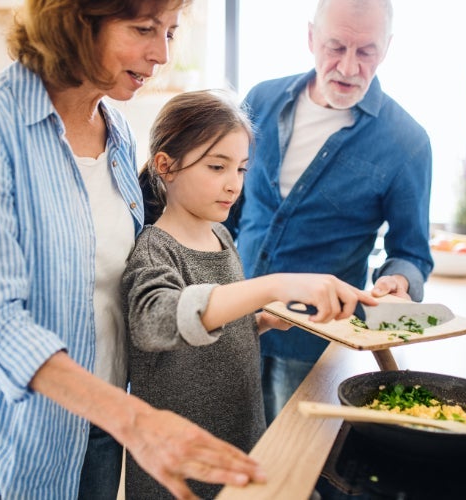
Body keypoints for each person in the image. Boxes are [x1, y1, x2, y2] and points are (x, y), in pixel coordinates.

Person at [0, 2, 266, 499]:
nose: (162, 53)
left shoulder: (118, 131)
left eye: (169, 32)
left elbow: (126, 288)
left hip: (102, 436)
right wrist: (135, 418)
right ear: (76, 21)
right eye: (144, 29)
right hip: (15, 443)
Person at [121, 89, 374, 499]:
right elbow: (156, 322)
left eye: (240, 169)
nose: (233, 184)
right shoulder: (155, 248)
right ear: (166, 166)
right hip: (183, 465)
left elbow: (206, 333)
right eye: (217, 167)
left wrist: (258, 321)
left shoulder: (221, 236)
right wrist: (269, 286)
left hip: (241, 435)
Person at [225, 0, 434, 424]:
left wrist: (398, 282)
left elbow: (412, 253)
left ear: (387, 49)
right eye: (336, 47)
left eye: (366, 52)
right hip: (231, 326)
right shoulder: (259, 101)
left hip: (312, 344)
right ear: (310, 38)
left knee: (301, 472)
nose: (350, 67)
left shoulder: (407, 141)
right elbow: (228, 209)